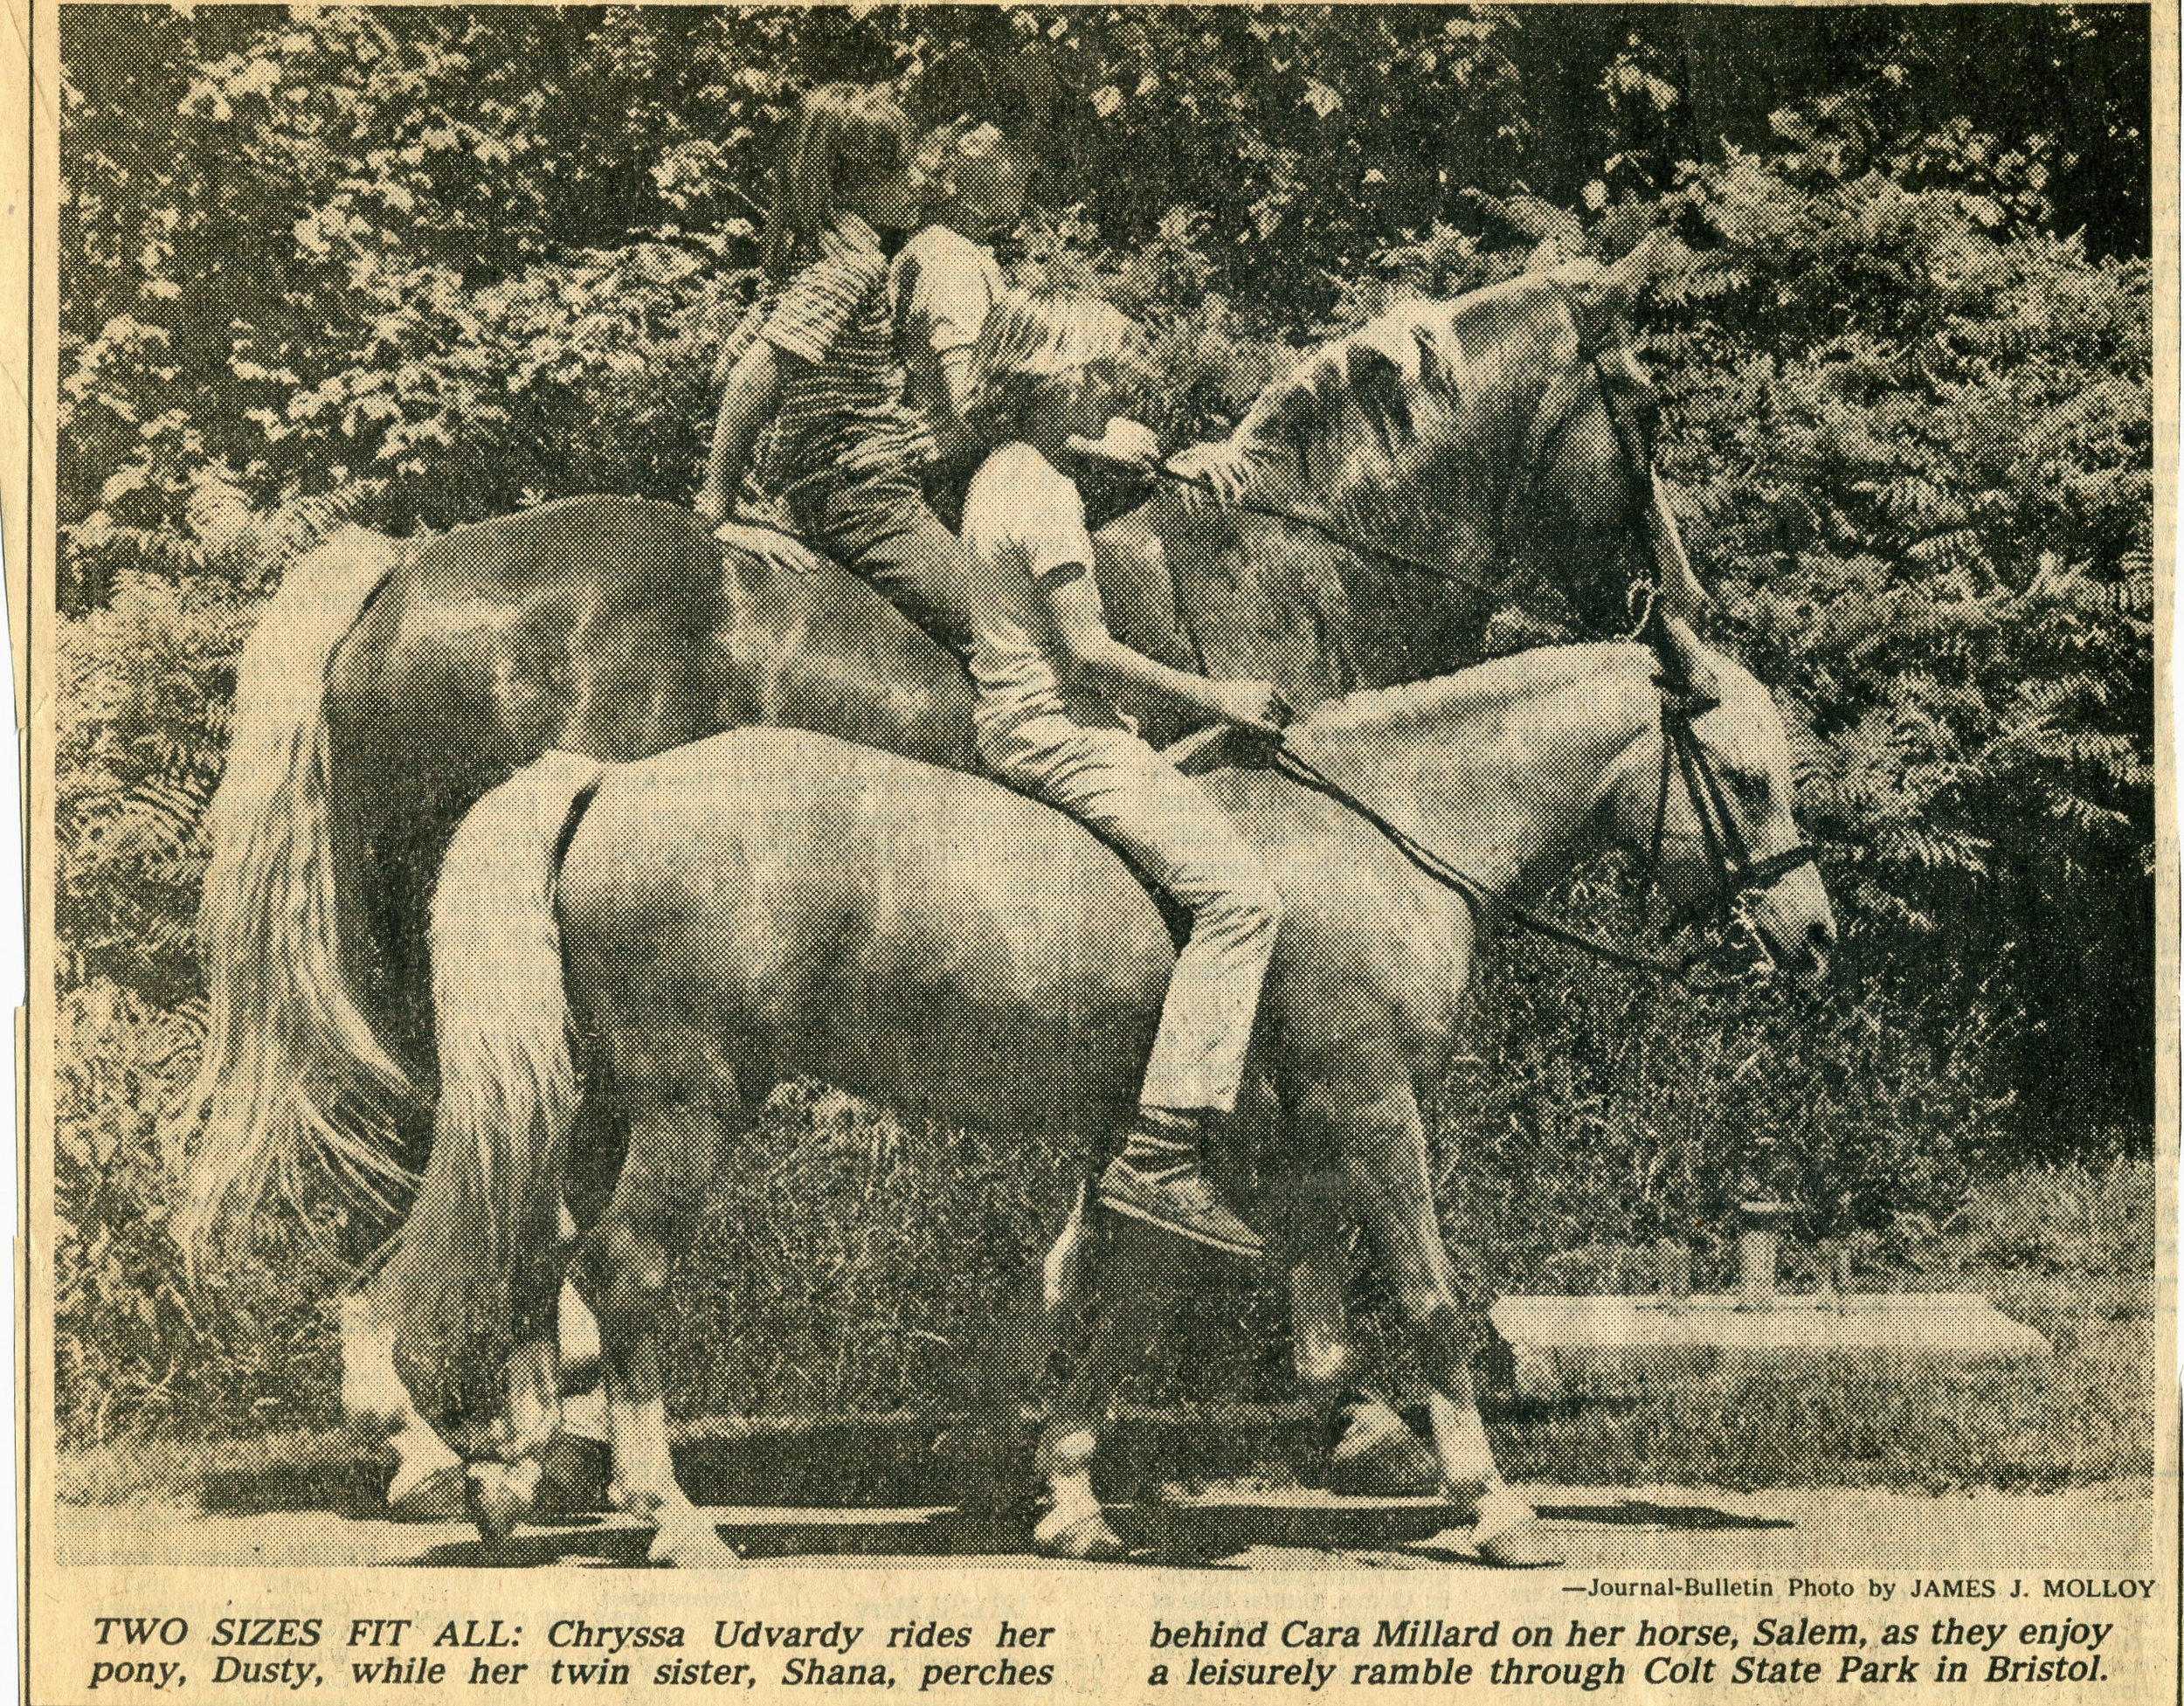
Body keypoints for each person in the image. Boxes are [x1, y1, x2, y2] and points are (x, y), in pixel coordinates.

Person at [957, 288, 1290, 1260]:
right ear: (1053, 380)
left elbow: (1091, 458)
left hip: (1019, 724)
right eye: (1099, 372)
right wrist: (1219, 696)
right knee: (1242, 902)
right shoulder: (1044, 494)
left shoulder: (1004, 469)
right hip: (1062, 732)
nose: (1115, 386)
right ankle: (1162, 1153)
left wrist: (1135, 451)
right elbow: (1091, 651)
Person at [693, 82, 971, 655]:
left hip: (823, 489)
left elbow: (725, 366)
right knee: (1005, 635)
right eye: (899, 168)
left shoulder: (804, 265)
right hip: (867, 502)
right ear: (854, 184)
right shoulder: (852, 269)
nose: (918, 179)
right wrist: (718, 509)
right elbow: (750, 376)